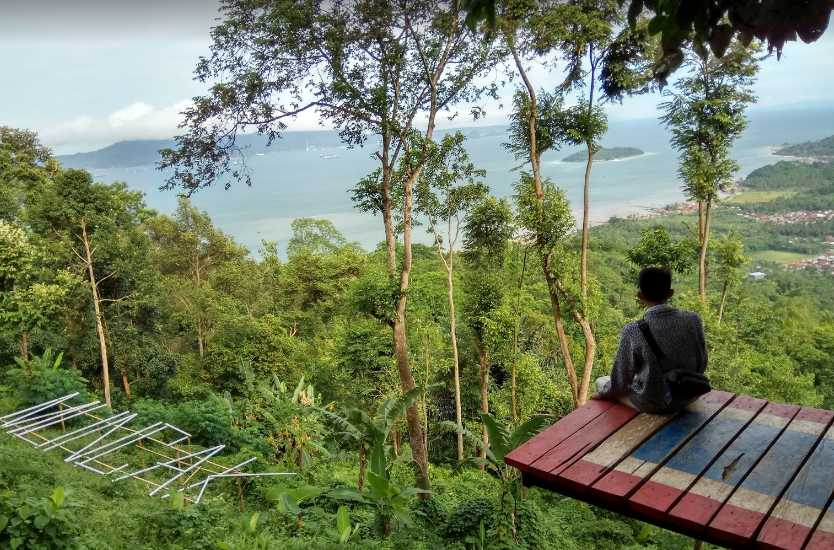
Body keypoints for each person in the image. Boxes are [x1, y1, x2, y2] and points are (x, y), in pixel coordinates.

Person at [594, 267, 708, 414]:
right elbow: (702, 361)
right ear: (670, 293)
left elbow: (621, 381)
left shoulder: (634, 330)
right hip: (690, 393)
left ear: (640, 295)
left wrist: (604, 394)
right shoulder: (693, 319)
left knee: (601, 381)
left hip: (658, 404)